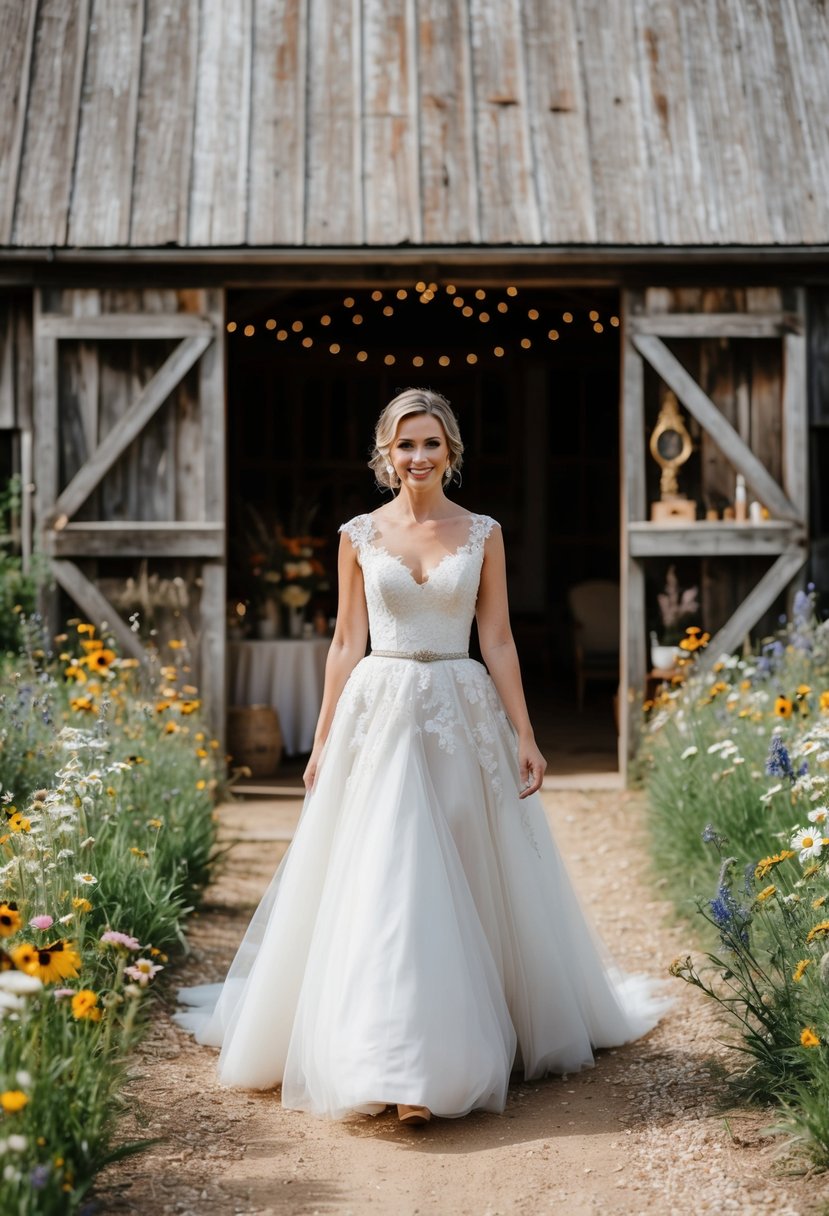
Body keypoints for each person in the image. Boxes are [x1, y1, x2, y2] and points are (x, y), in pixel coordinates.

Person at [176, 387, 668, 1125]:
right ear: (385, 453)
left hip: (458, 708)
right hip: (379, 713)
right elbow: (345, 643)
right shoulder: (356, 536)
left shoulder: (482, 534)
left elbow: (496, 639)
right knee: (384, 875)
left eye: (430, 443)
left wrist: (525, 734)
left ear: (451, 452)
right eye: (405, 444)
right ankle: (388, 1059)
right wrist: (322, 735)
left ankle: (456, 1043)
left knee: (467, 868)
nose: (417, 457)